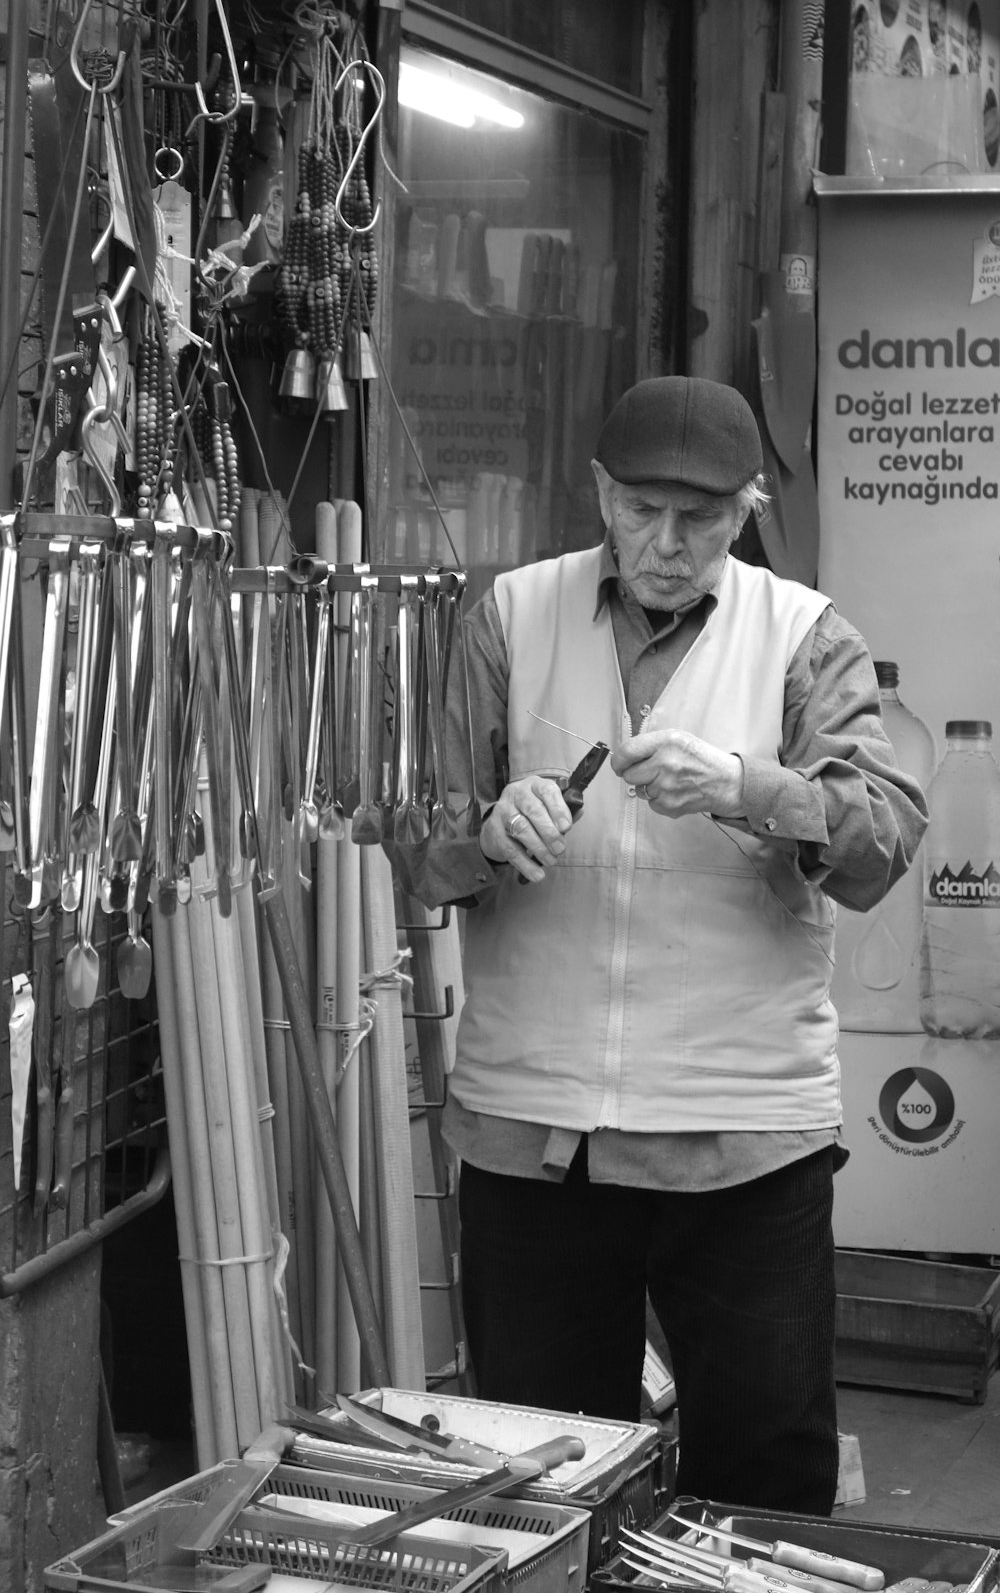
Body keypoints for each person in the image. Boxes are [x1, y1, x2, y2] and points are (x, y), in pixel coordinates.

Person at [388, 376, 929, 1516]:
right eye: (640, 511)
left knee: (765, 1466)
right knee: (540, 1477)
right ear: (597, 491)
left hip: (742, 1135)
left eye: (702, 518)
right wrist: (487, 831)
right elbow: (419, 850)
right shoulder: (508, 617)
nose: (668, 546)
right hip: (536, 1130)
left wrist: (750, 787)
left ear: (748, 506)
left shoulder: (805, 636)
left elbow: (882, 842)